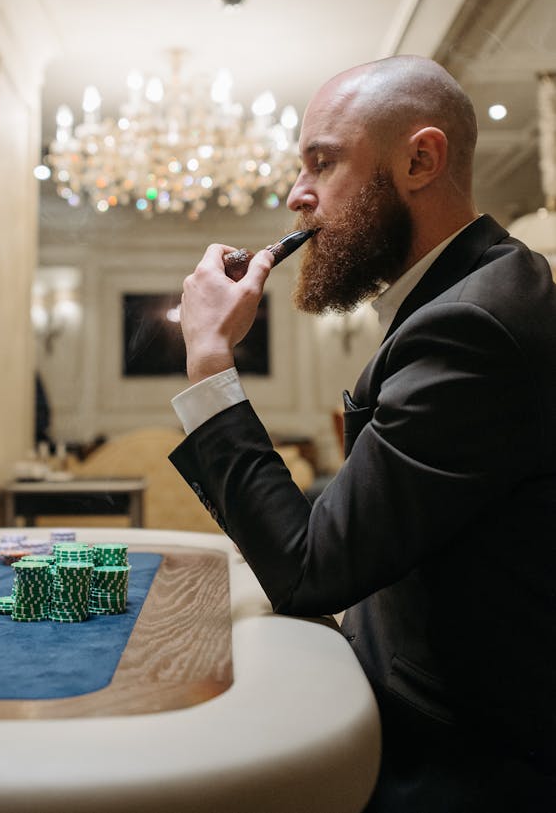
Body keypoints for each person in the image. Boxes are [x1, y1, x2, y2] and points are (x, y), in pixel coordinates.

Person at [168, 55, 556, 812]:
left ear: (420, 159)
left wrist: (210, 357)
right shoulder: (466, 293)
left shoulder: (472, 322)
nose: (295, 194)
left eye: (323, 161)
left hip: (459, 768)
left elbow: (313, 567)